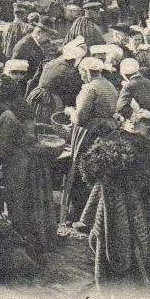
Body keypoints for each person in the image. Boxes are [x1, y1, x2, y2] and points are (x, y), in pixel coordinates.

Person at [80, 123, 150, 290]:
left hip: (115, 235)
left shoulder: (106, 180)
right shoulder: (130, 180)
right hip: (129, 229)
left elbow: (93, 231)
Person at [0, 76, 55, 254]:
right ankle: (38, 241)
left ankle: (22, 245)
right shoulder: (23, 108)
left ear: (3, 93)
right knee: (33, 203)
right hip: (34, 161)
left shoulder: (7, 116)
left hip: (19, 164)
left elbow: (5, 147)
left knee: (18, 203)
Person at [62, 56, 119, 224]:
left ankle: (83, 215)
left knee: (84, 170)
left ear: (86, 72)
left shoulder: (90, 88)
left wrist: (69, 112)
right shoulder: (109, 86)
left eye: (81, 72)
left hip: (92, 133)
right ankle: (99, 214)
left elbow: (80, 118)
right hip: (109, 130)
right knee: (102, 171)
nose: (80, 75)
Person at [26, 40, 86, 124]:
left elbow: (32, 82)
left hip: (35, 96)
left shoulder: (48, 63)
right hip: (50, 103)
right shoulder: (70, 72)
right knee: (47, 127)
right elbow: (72, 96)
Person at [12, 15, 56, 85]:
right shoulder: (23, 46)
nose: (49, 39)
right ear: (39, 32)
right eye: (48, 36)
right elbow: (16, 76)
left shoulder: (36, 43)